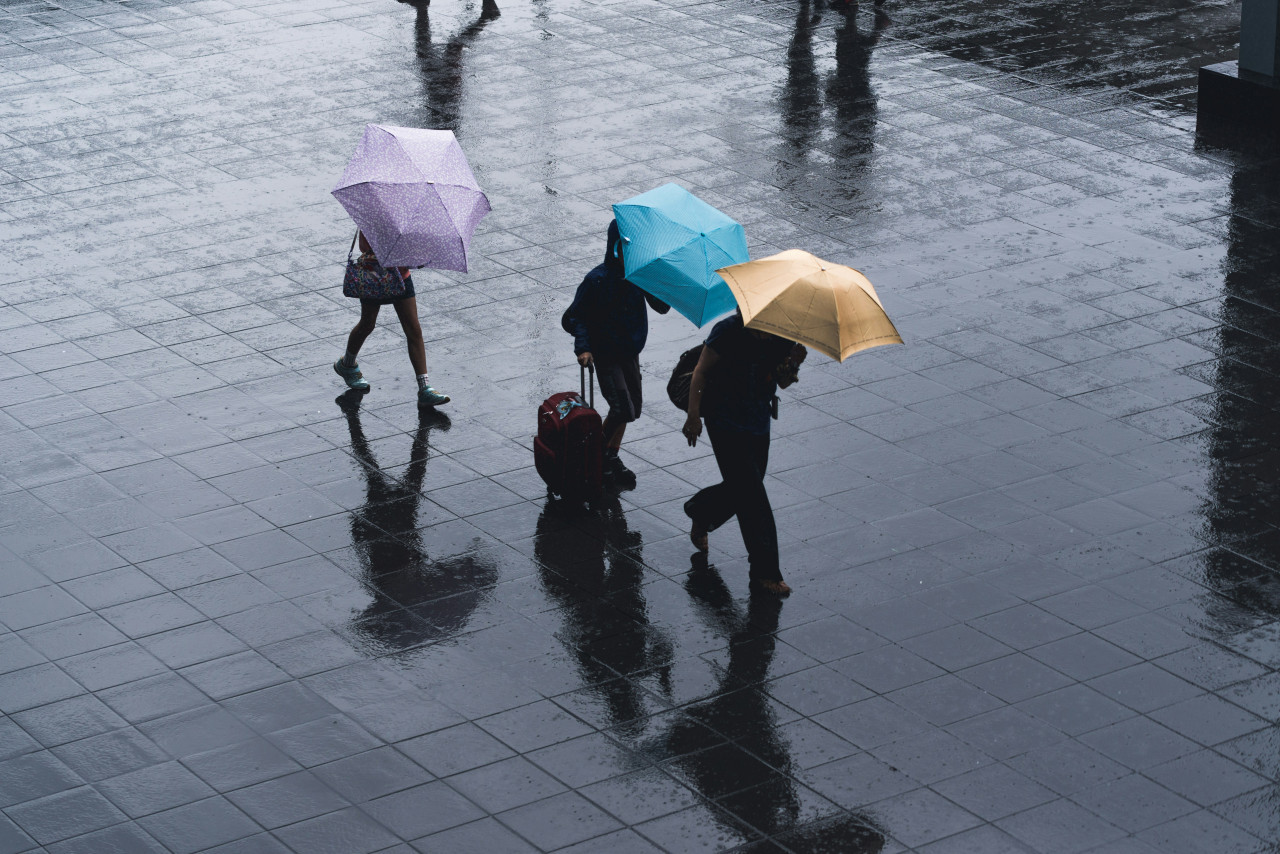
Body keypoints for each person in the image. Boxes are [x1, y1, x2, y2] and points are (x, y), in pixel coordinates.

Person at [681, 311, 804, 597]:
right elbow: (701, 370)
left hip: (758, 421)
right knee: (753, 497)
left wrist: (794, 361)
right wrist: (693, 414)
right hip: (724, 422)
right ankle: (765, 572)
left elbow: (782, 381)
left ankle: (701, 510)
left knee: (747, 485)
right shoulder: (727, 331)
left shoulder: (780, 333)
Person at [562, 220, 670, 483]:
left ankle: (609, 455)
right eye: (624, 249)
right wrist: (584, 347)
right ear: (614, 248)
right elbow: (574, 317)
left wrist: (657, 279)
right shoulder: (597, 280)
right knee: (621, 408)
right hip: (607, 355)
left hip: (629, 352)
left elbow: (662, 307)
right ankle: (593, 456)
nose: (628, 255)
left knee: (631, 409)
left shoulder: (638, 277)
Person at [334, 231, 450, 408]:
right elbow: (366, 247)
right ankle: (347, 364)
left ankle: (424, 388)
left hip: (401, 276)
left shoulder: (404, 216)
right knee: (367, 323)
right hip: (374, 275)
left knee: (413, 329)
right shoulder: (372, 213)